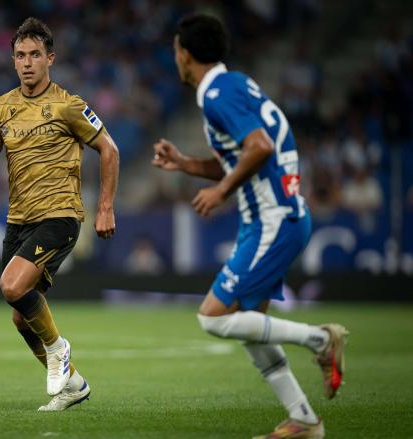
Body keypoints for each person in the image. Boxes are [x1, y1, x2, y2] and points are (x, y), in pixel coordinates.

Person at [152, 14, 348, 438]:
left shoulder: (217, 95)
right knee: (249, 326)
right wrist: (185, 163)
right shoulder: (235, 85)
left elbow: (258, 147)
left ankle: (319, 340)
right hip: (274, 216)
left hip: (273, 218)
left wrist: (221, 191)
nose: (175, 58)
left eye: (175, 51)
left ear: (184, 54)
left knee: (213, 318)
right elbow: (241, 155)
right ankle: (304, 421)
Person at [0, 17, 119, 412]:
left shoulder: (69, 106)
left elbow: (110, 150)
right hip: (19, 221)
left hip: (60, 215)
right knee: (21, 317)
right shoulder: (2, 107)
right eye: (20, 55)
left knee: (13, 287)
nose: (27, 62)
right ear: (13, 60)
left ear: (50, 58)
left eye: (35, 54)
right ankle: (74, 386)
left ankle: (59, 349)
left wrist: (105, 207)